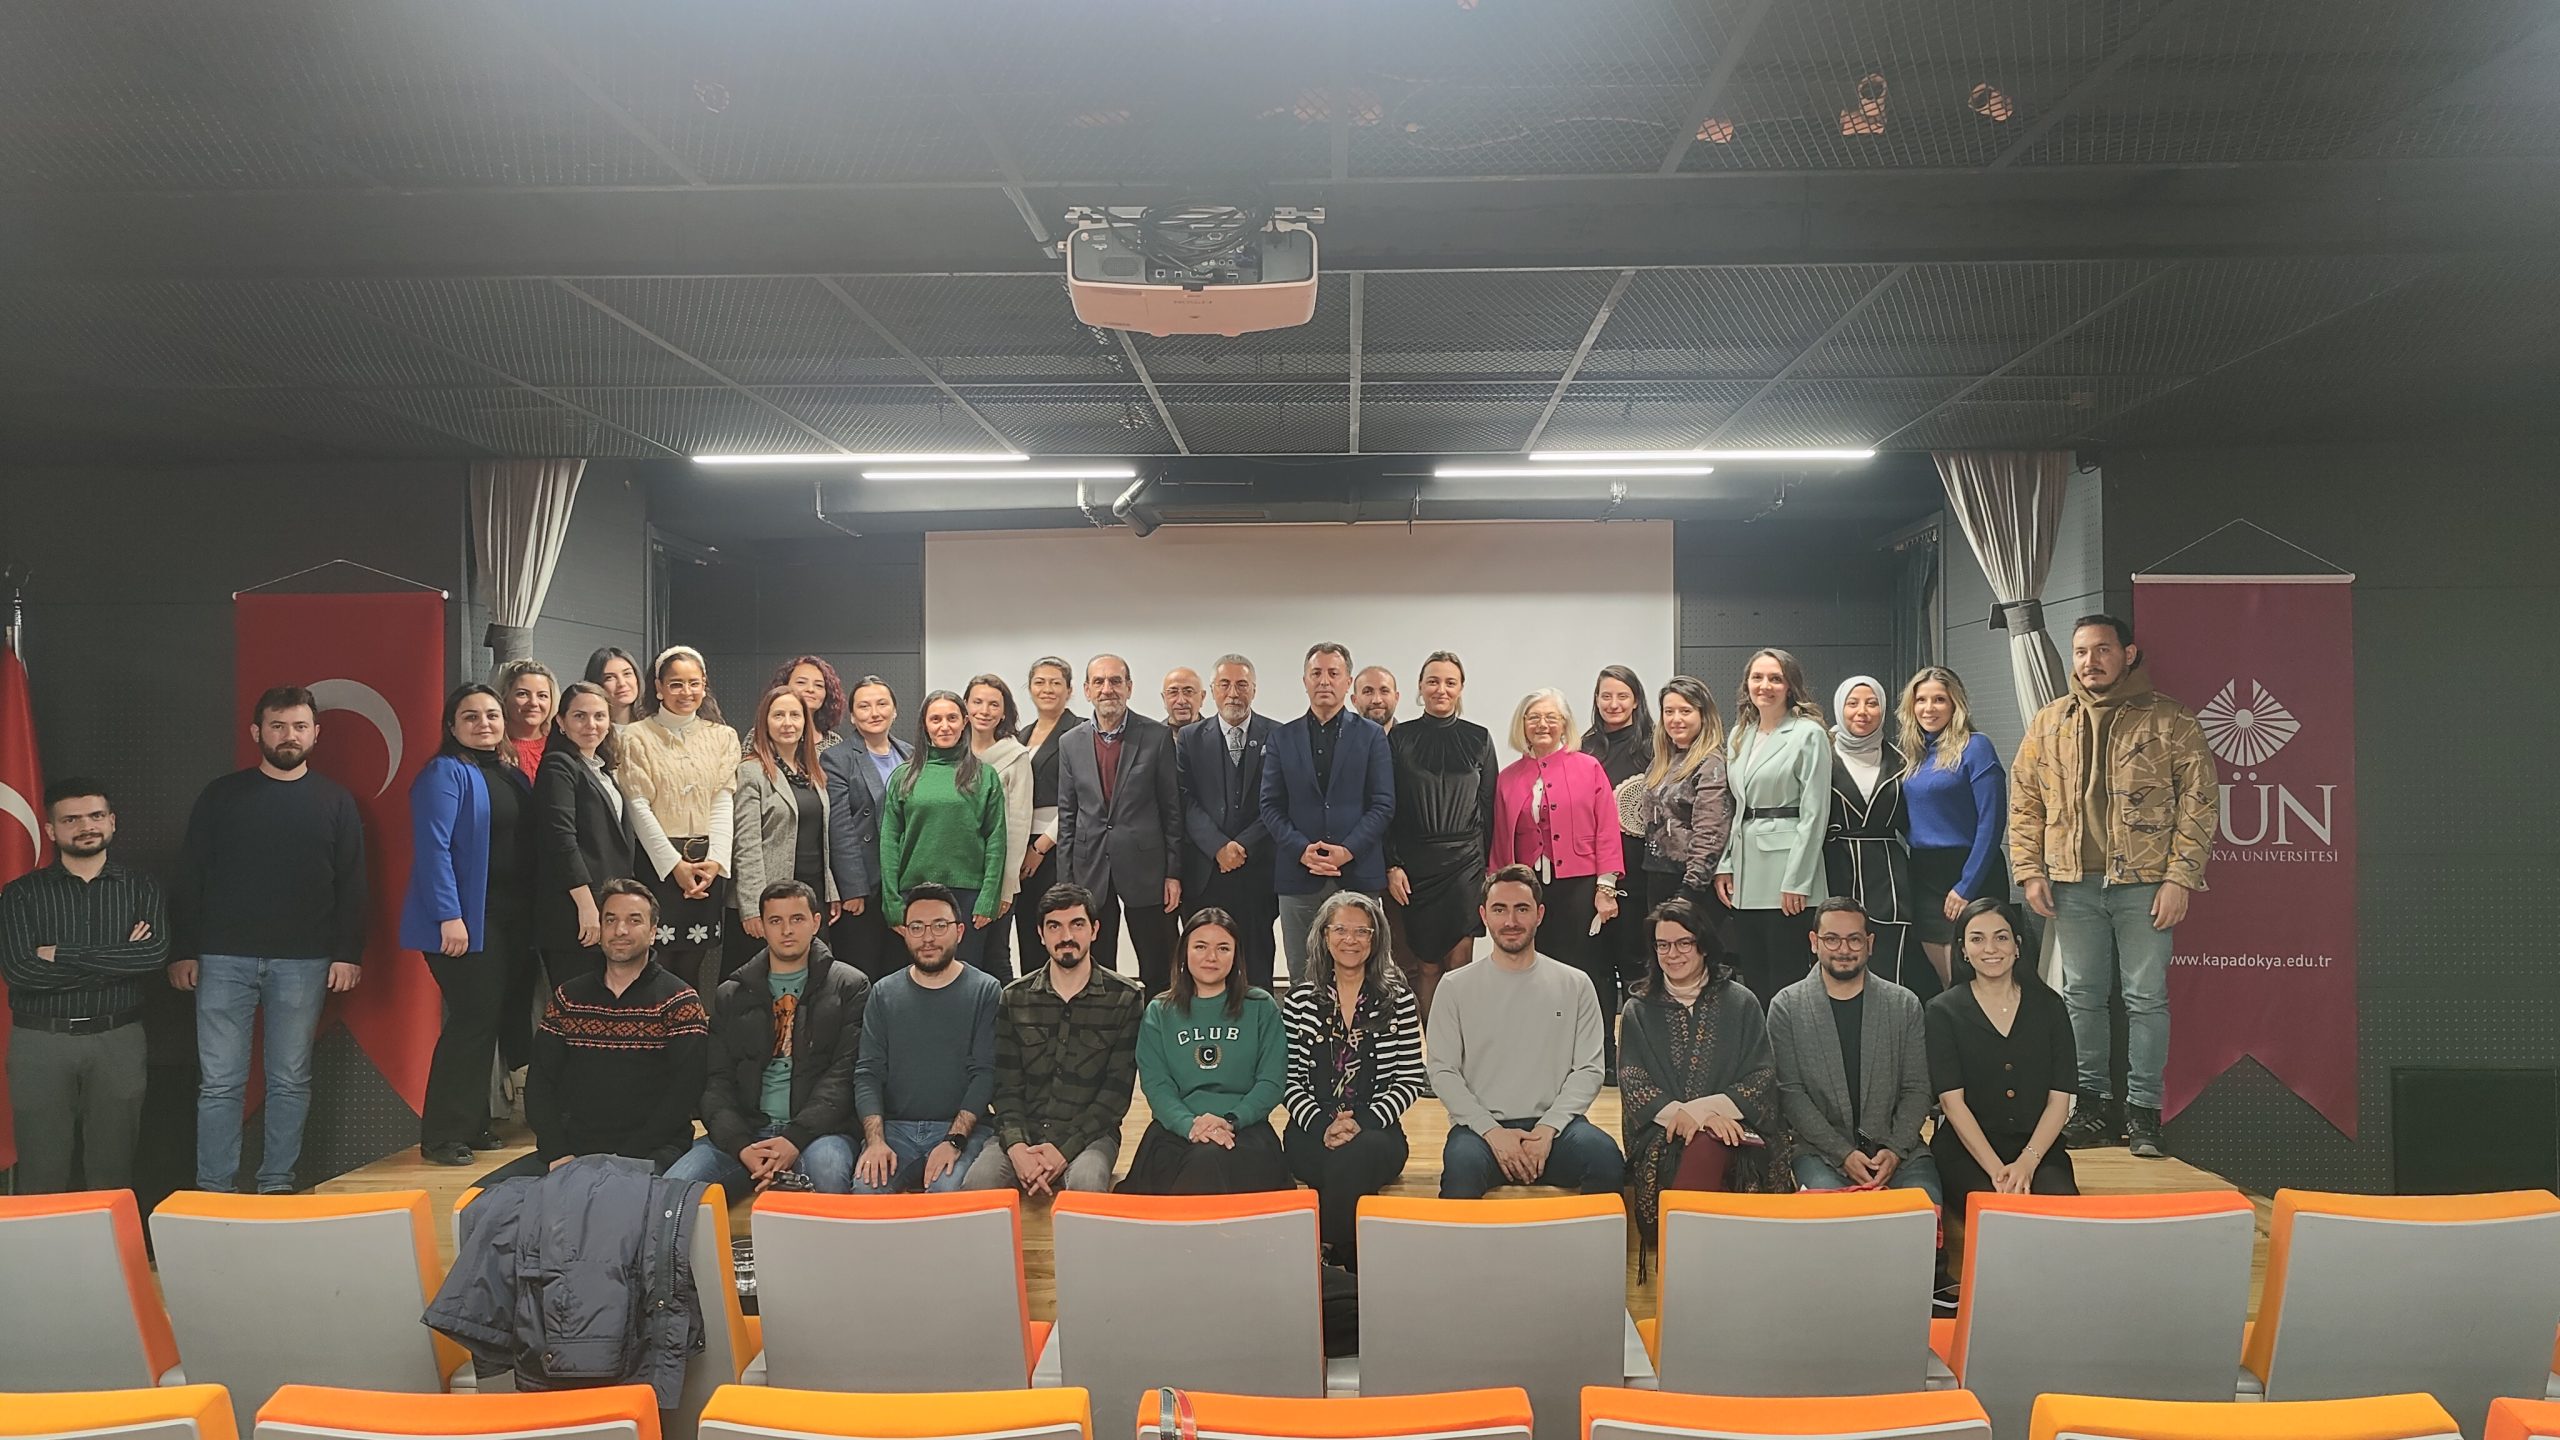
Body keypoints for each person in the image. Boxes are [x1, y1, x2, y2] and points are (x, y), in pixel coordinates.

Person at [2012, 615, 2214, 1160]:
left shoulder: (2170, 718)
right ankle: (2093, 1108)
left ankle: (2144, 1113)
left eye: (2102, 649)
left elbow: (2199, 804)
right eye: (2081, 651)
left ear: (2128, 654)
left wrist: (2179, 878)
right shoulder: (2051, 721)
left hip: (2144, 884)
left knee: (2145, 998)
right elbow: (2025, 800)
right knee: (2081, 996)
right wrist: (2030, 870)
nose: (2089, 661)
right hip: (2071, 882)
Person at [171, 684, 367, 1194]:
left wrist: (347, 953)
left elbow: (352, 883)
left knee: (290, 1080)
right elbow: (190, 875)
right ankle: (214, 1190)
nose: (289, 736)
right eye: (278, 726)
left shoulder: (336, 801)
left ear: (316, 733)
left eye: (299, 726)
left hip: (305, 961)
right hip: (221, 958)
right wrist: (183, 950)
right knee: (220, 1083)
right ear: (256, 732)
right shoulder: (221, 795)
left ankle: (276, 1184)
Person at [481, 878, 709, 1185]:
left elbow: (684, 1093)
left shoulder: (679, 1001)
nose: (620, 930)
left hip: (650, 1152)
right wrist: (557, 1152)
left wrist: (623, 1158)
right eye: (610, 920)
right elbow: (541, 1083)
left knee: (605, 1200)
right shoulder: (568, 998)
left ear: (653, 931)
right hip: (573, 1151)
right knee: (482, 1198)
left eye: (634, 920)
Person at [0, 778, 165, 1194]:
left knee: (113, 1170)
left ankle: (107, 1242)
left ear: (112, 822)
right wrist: (118, 957)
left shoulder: (142, 887)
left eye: (95, 816)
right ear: (51, 830)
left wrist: (61, 953)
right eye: (71, 819)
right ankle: (42, 1242)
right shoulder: (20, 894)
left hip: (118, 1040)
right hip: (41, 1043)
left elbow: (151, 956)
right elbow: (21, 972)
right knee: (42, 1170)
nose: (86, 826)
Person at [400, 684, 538, 1166]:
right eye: (471, 716)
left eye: (492, 715)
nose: (484, 724)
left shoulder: (509, 773)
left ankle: (473, 1123)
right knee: (472, 1022)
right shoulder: (444, 772)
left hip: (511, 919)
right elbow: (433, 848)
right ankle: (442, 1135)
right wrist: (449, 915)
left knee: (492, 1021)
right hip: (465, 922)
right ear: (452, 726)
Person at [1427, 866, 1623, 1199]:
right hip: (1480, 1131)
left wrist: (1548, 1128)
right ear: (1483, 916)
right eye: (1499, 909)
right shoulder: (1454, 987)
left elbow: (1589, 1070)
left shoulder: (1575, 984)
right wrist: (1490, 1131)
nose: (1511, 921)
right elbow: (1443, 1071)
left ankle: (1590, 1238)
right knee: (1461, 1169)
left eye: (1522, 909)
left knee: (1605, 1159)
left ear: (1540, 914)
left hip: (1558, 1128)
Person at [669, 880, 868, 1196]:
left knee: (829, 1176)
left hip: (819, 1134)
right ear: (761, 926)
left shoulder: (850, 986)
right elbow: (716, 1081)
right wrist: (741, 1145)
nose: (787, 930)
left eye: (797, 919)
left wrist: (794, 1139)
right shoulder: (730, 994)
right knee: (675, 1188)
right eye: (775, 921)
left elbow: (844, 1076)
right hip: (746, 1133)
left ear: (816, 922)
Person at [1620, 898, 1795, 1249]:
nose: (1672, 954)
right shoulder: (1638, 1010)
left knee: (1715, 1144)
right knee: (1705, 1142)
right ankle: (1690, 1255)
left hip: (1740, 1125)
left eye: (1683, 943)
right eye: (1663, 945)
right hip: (1663, 1130)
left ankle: (1681, 1254)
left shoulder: (1741, 1002)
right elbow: (1634, 1083)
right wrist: (1699, 1120)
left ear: (1703, 945)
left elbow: (1761, 1076)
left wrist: (1705, 1112)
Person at [966, 883, 1146, 1196]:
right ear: (1040, 934)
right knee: (977, 1184)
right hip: (1022, 1133)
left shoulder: (1125, 998)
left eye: (1077, 924)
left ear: (1094, 930)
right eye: (1054, 927)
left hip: (1090, 1136)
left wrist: (1062, 1150)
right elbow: (1005, 1086)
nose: (1066, 936)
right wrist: (1017, 1147)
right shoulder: (1015, 997)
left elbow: (1114, 1097)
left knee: (1087, 1185)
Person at [1281, 890, 1423, 1266]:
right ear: (1324, 936)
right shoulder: (1299, 1000)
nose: (1351, 939)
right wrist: (1324, 1125)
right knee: (1347, 1165)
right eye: (1341, 929)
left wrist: (1362, 1122)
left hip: (1377, 1129)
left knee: (1358, 1153)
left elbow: (1411, 1078)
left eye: (1362, 931)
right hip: (1311, 1130)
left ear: (1376, 939)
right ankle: (1353, 1259)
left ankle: (1323, 1250)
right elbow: (1287, 1079)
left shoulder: (1398, 999)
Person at [1766, 898, 1940, 1203]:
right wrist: (1843, 1152)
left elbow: (1917, 1088)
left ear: (1869, 944)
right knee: (1835, 1215)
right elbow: (1790, 1093)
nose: (1843, 949)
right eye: (1832, 939)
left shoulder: (1904, 1004)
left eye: (1854, 939)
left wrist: (1895, 1149)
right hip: (1819, 1151)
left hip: (1898, 1152)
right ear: (1814, 942)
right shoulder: (1787, 1007)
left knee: (1922, 1211)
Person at [1490, 688, 1623, 1072]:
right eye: (1533, 717)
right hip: (1528, 891)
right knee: (1532, 972)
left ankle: (1601, 1053)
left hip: (1579, 886)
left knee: (1589, 971)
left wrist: (1606, 888)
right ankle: (1544, 1053)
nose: (1542, 725)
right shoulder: (1508, 778)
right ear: (1522, 725)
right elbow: (1500, 839)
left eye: (1551, 717)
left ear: (1564, 724)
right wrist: (1498, 895)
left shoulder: (1588, 767)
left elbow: (1606, 830)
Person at [1927, 897, 2076, 1231]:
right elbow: (1952, 1104)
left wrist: (2027, 1163)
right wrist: (1998, 1171)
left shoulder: (2050, 1007)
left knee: (2064, 1220)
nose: (1990, 948)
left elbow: (2059, 1100)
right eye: (1977, 939)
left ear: (2017, 945)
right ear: (1963, 950)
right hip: (1968, 1151)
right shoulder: (1942, 1011)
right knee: (1998, 1219)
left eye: (2001, 937)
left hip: (2038, 1149)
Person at [1119, 908, 1291, 1194]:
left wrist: (1231, 1120)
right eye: (1200, 947)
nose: (1211, 957)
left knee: (1208, 1159)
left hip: (1244, 1130)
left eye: (1223, 948)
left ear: (1236, 956)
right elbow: (1157, 1086)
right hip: (1176, 1131)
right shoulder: (1159, 1012)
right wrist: (1190, 1125)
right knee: (1201, 1160)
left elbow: (1272, 1081)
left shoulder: (1261, 1006)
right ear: (1184, 953)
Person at [851, 884, 1001, 1193]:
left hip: (961, 1130)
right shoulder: (883, 993)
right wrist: (875, 1142)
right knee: (866, 1191)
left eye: (939, 926)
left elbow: (985, 1073)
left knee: (947, 1192)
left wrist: (954, 1140)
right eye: (917, 927)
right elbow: (868, 1073)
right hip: (895, 1130)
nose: (928, 938)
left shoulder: (986, 990)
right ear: (905, 933)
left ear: (959, 931)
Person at [1262, 642, 1396, 984]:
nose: (1324, 681)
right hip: (1298, 874)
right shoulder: (1281, 738)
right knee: (1303, 976)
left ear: (1347, 681)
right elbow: (1270, 805)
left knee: (1365, 975)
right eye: (1316, 673)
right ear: (1304, 681)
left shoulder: (1372, 736)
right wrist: (1302, 850)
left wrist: (1347, 850)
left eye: (1333, 673)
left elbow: (1383, 804)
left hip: (1358, 872)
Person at [1056, 654, 1183, 988]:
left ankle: (1156, 1020)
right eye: (1098, 682)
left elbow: (1172, 810)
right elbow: (1067, 815)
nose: (1107, 689)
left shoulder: (1156, 736)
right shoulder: (1070, 742)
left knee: (1157, 966)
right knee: (1097, 968)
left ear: (1129, 687)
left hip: (1147, 869)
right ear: (1086, 690)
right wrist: (1065, 883)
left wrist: (1173, 873)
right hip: (1090, 869)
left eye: (1115, 681)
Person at [1716, 649, 1833, 1006]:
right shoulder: (1740, 734)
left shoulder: (1808, 734)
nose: (1764, 686)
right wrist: (1725, 863)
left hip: (1787, 873)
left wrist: (1798, 879)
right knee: (1754, 976)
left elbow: (1815, 813)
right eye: (1757, 677)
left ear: (1790, 686)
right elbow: (1735, 807)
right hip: (1746, 872)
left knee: (1786, 978)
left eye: (1775, 678)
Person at [1383, 652, 1496, 1018]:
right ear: (1420, 687)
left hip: (1466, 864)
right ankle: (1432, 1046)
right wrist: (1392, 864)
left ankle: (1463, 1045)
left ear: (1461, 687)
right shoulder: (1400, 737)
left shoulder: (1479, 738)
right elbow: (1388, 806)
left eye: (1450, 682)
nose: (1441, 689)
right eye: (1433, 681)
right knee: (1427, 965)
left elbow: (1489, 806)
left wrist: (1488, 870)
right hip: (1417, 865)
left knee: (1460, 962)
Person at [619, 646, 739, 991]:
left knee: (693, 966)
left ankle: (688, 1024)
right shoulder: (635, 736)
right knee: (657, 964)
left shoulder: (722, 736)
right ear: (658, 687)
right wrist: (673, 865)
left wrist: (716, 861)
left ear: (704, 685)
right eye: (675, 684)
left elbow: (722, 801)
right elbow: (637, 806)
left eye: (694, 683)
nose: (686, 692)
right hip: (657, 865)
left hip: (705, 866)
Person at [880, 691, 1010, 975]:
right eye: (935, 719)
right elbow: (889, 841)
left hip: (969, 897)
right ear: (924, 725)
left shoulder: (985, 775)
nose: (944, 726)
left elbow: (996, 839)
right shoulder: (904, 776)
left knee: (964, 979)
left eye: (952, 718)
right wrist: (891, 901)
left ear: (964, 722)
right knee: (920, 978)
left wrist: (989, 896)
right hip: (914, 895)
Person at [1899, 667, 2006, 996]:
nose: (1929, 708)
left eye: (1939, 700)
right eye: (1921, 700)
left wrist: (1966, 885)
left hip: (1970, 872)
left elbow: (1992, 821)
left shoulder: (1976, 747)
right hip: (1924, 875)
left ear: (1955, 704)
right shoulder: (1912, 756)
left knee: (1978, 980)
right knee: (1947, 987)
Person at [1176, 654, 1280, 988]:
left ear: (1254, 690)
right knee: (1205, 963)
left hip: (1258, 871)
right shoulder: (1189, 738)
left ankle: (1260, 1018)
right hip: (1205, 872)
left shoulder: (1277, 735)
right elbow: (1184, 799)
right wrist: (1218, 846)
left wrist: (1242, 845)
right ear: (1212, 691)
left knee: (1257, 963)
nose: (1233, 693)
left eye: (1242, 685)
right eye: (1225, 684)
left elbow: (1279, 801)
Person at [534, 681, 638, 987]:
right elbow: (561, 840)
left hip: (605, 906)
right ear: (561, 722)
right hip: (575, 912)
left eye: (599, 716)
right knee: (578, 1004)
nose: (591, 724)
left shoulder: (601, 769)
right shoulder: (558, 766)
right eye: (580, 716)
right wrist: (586, 906)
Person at [732, 685, 840, 965]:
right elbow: (746, 846)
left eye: (795, 715)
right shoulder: (751, 772)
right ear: (764, 723)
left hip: (812, 895)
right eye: (778, 715)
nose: (788, 723)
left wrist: (831, 892)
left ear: (805, 723)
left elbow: (821, 839)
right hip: (771, 898)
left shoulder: (813, 773)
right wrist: (753, 907)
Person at [1828, 675, 1920, 994]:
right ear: (1839, 708)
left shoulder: (1903, 762)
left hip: (1888, 878)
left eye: (1872, 703)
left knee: (1889, 970)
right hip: (1833, 868)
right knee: (1834, 966)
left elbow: (1913, 824)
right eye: (1852, 703)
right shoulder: (1820, 756)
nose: (1862, 712)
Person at [821, 675, 910, 980]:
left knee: (901, 974)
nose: (874, 712)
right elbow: (840, 828)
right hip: (864, 887)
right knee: (861, 974)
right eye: (864, 706)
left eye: (882, 704)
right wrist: (853, 889)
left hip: (904, 885)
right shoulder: (837, 758)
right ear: (852, 715)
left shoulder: (911, 755)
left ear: (894, 710)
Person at [1581, 665, 1655, 1026]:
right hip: (1592, 876)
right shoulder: (1586, 747)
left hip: (1640, 874)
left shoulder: (1655, 746)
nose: (1613, 703)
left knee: (1638, 967)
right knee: (1596, 968)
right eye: (1606, 696)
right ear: (1596, 700)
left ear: (1636, 700)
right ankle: (1604, 1051)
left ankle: (1639, 1048)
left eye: (1622, 696)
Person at [1011, 657, 1087, 969]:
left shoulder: (1081, 729)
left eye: (1056, 683)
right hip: (1020, 846)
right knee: (1030, 932)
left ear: (1069, 690)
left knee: (1061, 929)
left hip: (1060, 845)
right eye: (1040, 682)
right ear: (1029, 688)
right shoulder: (1020, 736)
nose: (1047, 689)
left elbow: (1080, 796)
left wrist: (1041, 846)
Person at [1637, 674, 1729, 923]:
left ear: (1703, 715)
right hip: (1656, 877)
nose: (1675, 719)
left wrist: (1689, 891)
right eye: (1669, 711)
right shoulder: (1661, 763)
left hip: (1691, 886)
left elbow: (1710, 833)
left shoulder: (1710, 765)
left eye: (1685, 711)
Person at [965, 673, 1035, 979]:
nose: (984, 710)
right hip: (959, 870)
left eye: (994, 704)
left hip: (997, 873)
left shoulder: (1015, 755)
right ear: (965, 706)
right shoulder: (950, 750)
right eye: (977, 702)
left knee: (995, 955)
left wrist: (1007, 885)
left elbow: (1019, 823)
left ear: (1004, 712)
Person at [494, 659, 556, 784]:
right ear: (504, 697)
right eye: (522, 694)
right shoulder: (491, 747)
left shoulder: (559, 747)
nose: (533, 703)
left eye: (542, 695)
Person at [772, 655, 848, 750]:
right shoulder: (762, 737)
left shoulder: (834, 743)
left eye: (819, 685)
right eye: (801, 682)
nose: (810, 689)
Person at [584, 646, 644, 728]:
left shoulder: (654, 725)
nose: (622, 683)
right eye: (609, 677)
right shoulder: (591, 729)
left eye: (627, 674)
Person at [1353, 666, 1401, 730]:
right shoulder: (1343, 735)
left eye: (1384, 691)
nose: (1377, 700)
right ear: (1354, 700)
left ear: (1396, 698)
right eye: (1367, 692)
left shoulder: (1410, 736)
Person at [1160, 666, 1205, 731]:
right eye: (1173, 692)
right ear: (1164, 698)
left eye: (1188, 692)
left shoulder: (1216, 734)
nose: (1181, 701)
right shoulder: (1153, 736)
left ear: (1202, 697)